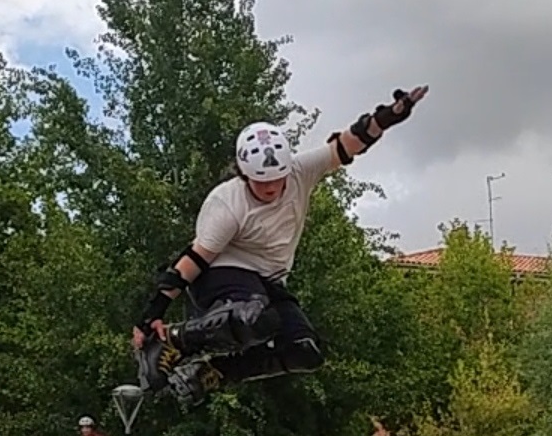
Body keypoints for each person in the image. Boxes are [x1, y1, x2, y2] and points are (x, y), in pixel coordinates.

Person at [132, 88, 428, 408]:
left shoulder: (301, 171)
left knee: (305, 351)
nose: (271, 188)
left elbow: (346, 144)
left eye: (277, 179)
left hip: (269, 280)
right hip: (220, 274)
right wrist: (151, 316)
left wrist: (387, 117)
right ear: (244, 175)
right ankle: (175, 341)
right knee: (258, 316)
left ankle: (211, 372)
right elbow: (191, 262)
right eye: (261, 182)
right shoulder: (227, 202)